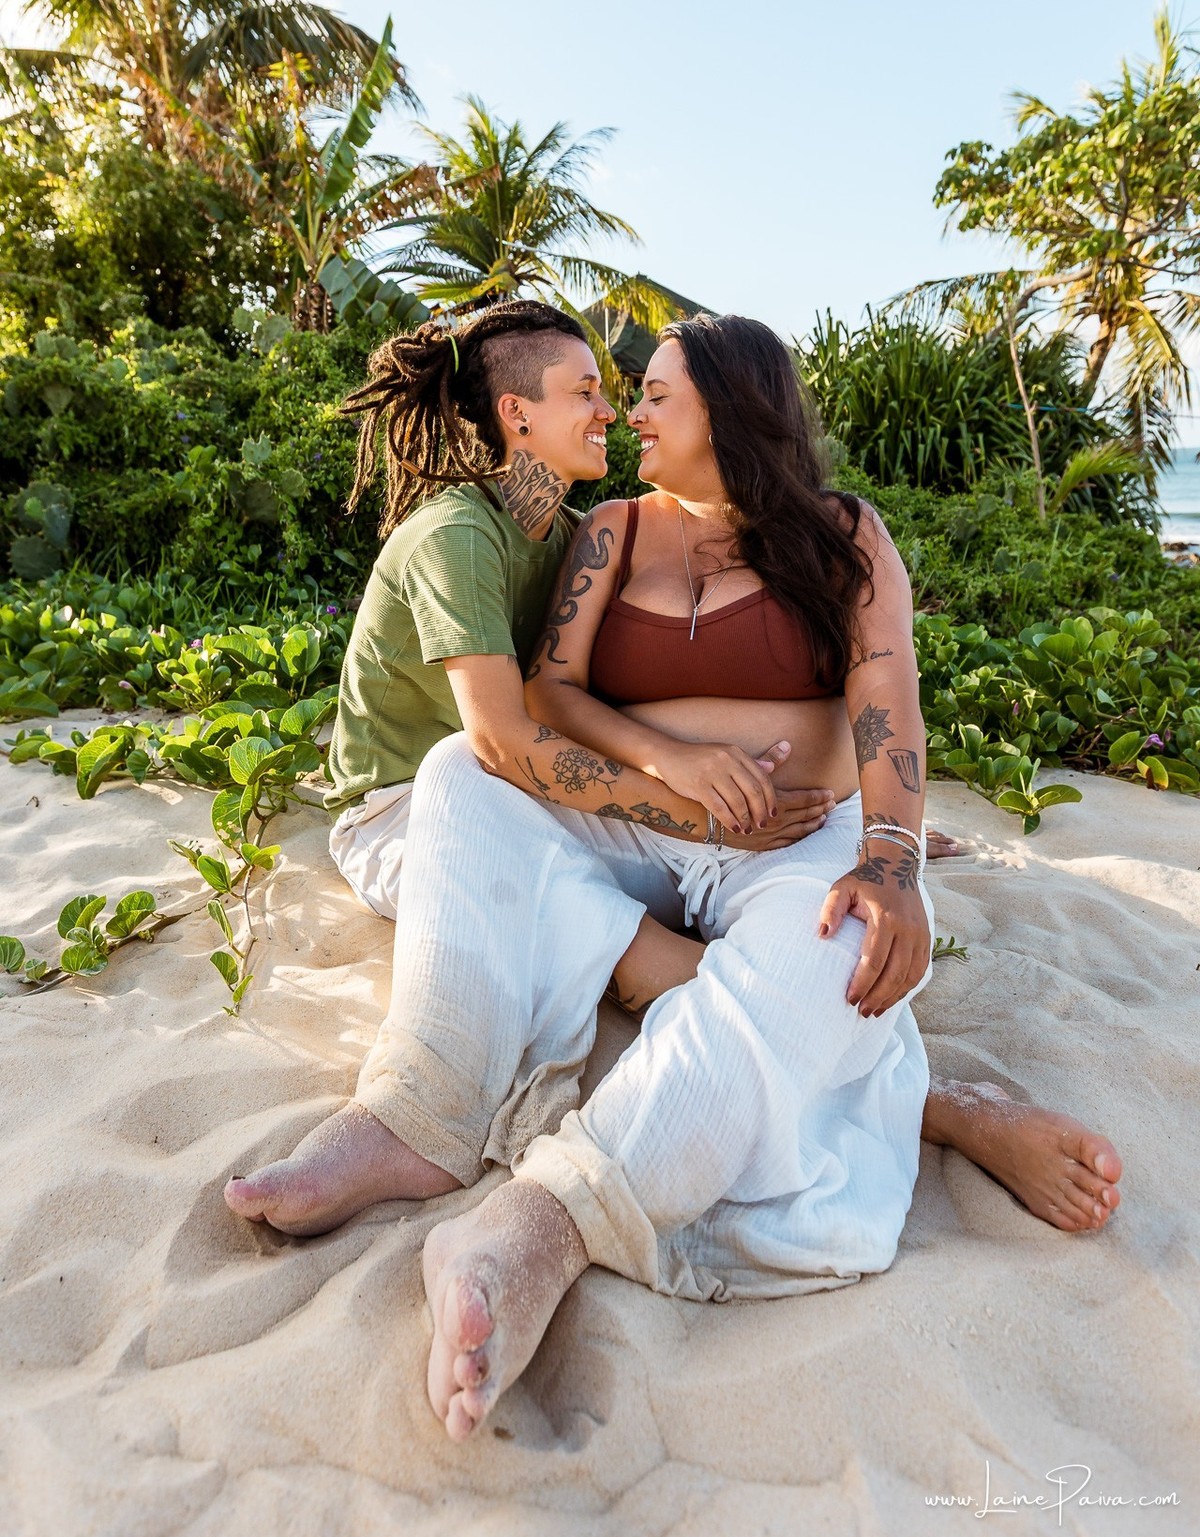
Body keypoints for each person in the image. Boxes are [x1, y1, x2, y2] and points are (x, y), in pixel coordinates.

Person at [224, 310, 1122, 1443]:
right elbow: (548, 697)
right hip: (635, 831)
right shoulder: (607, 531)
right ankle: (419, 1107)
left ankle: (549, 1217)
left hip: (792, 844)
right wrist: (676, 765)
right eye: (620, 392)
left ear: (732, 415)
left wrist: (890, 855)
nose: (631, 410)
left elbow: (889, 704)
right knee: (459, 774)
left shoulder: (847, 536)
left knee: (837, 951)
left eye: (656, 394)